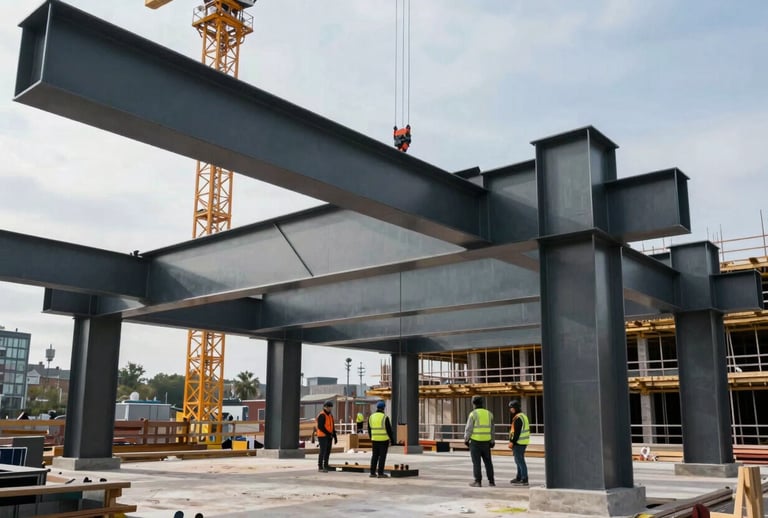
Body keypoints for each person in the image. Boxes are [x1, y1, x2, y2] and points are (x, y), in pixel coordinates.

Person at [464, 395, 495, 487]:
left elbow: (469, 428)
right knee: (488, 462)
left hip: (475, 442)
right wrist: (492, 441)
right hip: (486, 442)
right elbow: (492, 429)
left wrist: (466, 439)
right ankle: (491, 481)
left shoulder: (473, 414)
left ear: (473, 403)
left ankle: (478, 481)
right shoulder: (489, 414)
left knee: (476, 463)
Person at [368, 400, 394, 478]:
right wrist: (392, 440)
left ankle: (372, 473)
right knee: (382, 457)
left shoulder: (371, 417)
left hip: (374, 440)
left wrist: (371, 437)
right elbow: (389, 430)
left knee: (374, 456)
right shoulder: (385, 417)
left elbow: (369, 429)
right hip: (383, 440)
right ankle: (380, 473)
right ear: (383, 408)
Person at [508, 399, 530, 486]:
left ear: (515, 408)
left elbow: (516, 432)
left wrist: (512, 442)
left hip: (518, 442)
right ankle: (519, 477)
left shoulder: (518, 418)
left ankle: (524, 479)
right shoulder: (523, 416)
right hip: (523, 442)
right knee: (518, 460)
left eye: (511, 408)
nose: (510, 409)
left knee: (520, 461)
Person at [315, 400, 338, 472]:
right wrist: (328, 433)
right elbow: (320, 426)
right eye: (328, 407)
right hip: (322, 436)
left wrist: (334, 436)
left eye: (331, 407)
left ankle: (326, 465)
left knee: (328, 451)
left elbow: (332, 426)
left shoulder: (330, 415)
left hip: (329, 436)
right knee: (323, 451)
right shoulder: (322, 415)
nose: (330, 409)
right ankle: (320, 466)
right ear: (325, 407)